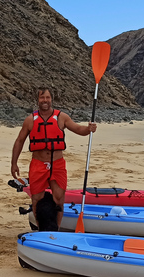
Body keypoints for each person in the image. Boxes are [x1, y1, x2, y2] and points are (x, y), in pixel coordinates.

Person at [11, 87, 97, 228]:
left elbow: (78, 129)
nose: (45, 100)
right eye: (42, 98)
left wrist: (88, 129)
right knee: (36, 200)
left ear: (52, 99)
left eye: (47, 98)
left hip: (57, 164)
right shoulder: (30, 120)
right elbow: (19, 141)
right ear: (37, 100)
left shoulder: (62, 117)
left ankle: (56, 228)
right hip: (38, 164)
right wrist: (14, 163)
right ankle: (40, 229)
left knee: (58, 199)